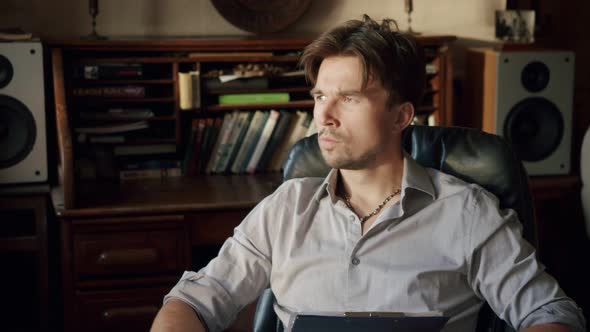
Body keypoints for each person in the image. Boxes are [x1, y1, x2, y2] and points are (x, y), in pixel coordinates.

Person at [151, 15, 585, 332]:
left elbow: (550, 314)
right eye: (320, 95)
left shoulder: (467, 211)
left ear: (401, 116)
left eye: (350, 98)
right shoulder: (284, 209)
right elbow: (191, 301)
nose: (324, 115)